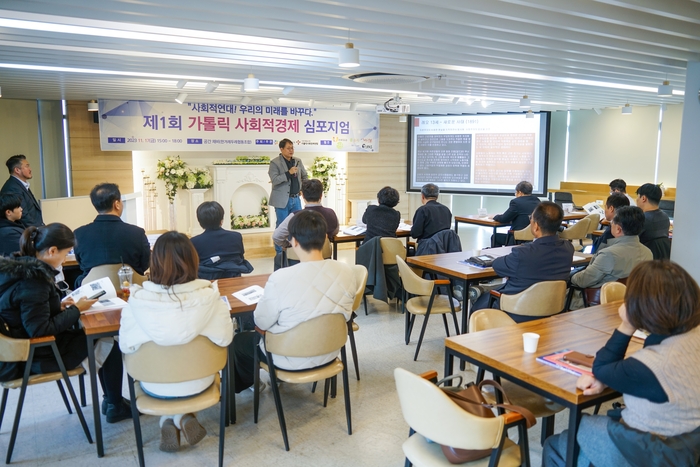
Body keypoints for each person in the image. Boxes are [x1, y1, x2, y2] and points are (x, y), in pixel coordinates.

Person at [543, 261, 700, 467]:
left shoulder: (651, 365)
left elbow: (600, 367)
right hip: (687, 444)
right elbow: (647, 349)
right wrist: (610, 376)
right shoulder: (691, 335)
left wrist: (627, 324)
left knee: (555, 444)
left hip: (648, 451)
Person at [0, 223, 131, 422]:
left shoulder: (21, 269)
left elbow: (27, 311)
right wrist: (77, 309)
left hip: (20, 349)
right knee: (107, 340)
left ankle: (113, 401)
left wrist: (57, 307)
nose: (65, 258)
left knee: (101, 337)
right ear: (52, 251)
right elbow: (39, 329)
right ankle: (114, 404)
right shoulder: (34, 280)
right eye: (66, 253)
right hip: (35, 355)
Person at [119, 231, 234, 452]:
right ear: (194, 261)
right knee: (187, 375)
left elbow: (126, 346)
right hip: (200, 382)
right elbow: (225, 338)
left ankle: (168, 420)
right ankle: (182, 417)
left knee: (161, 374)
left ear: (155, 263)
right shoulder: (211, 299)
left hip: (154, 385)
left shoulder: (136, 303)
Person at [232, 210, 356, 392]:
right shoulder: (346, 272)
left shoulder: (280, 277)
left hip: (287, 356)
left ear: (294, 241)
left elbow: (261, 321)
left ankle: (251, 386)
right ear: (324, 239)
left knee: (240, 342)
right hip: (330, 352)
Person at [471, 201, 574, 321]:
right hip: (553, 309)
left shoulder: (522, 253)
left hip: (517, 311)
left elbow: (498, 265)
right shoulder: (568, 248)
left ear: (536, 226)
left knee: (477, 306)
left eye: (531, 218)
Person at [73, 183, 150, 287]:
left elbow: (81, 265)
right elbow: (145, 264)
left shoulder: (79, 234)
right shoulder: (137, 233)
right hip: (131, 289)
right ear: (116, 204)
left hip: (93, 292)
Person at [571, 206, 652, 289]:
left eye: (612, 223)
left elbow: (582, 281)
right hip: (632, 299)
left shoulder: (608, 254)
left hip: (597, 300)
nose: (610, 225)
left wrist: (571, 275)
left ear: (618, 229)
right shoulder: (648, 253)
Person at [190, 201, 253, 280]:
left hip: (207, 282)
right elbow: (240, 258)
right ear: (221, 219)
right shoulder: (236, 236)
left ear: (200, 221)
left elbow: (192, 266)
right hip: (233, 279)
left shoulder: (194, 242)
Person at [272, 178, 339, 249]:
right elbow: (335, 231)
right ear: (321, 195)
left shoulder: (295, 216)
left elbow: (276, 236)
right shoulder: (331, 213)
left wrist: (288, 245)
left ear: (303, 195)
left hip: (300, 257)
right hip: (324, 256)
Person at [268, 139, 308, 254]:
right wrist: (288, 173)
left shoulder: (298, 161)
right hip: (281, 200)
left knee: (298, 224)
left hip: (296, 199)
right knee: (282, 226)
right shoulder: (275, 163)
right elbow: (274, 180)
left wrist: (303, 188)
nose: (291, 150)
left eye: (292, 148)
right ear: (281, 149)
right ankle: (280, 253)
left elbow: (304, 176)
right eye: (288, 148)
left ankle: (296, 250)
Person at [492, 181, 541, 246]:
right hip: (534, 238)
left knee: (495, 237)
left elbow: (504, 218)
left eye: (516, 192)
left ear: (520, 192)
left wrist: (495, 216)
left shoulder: (516, 202)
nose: (515, 194)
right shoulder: (537, 201)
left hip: (517, 238)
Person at [0, 155, 43, 227]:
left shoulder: (20, 185)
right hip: (26, 233)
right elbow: (24, 216)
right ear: (17, 170)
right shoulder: (13, 187)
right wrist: (39, 232)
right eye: (27, 166)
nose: (30, 169)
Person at [635, 183, 671, 252]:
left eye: (638, 196)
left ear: (643, 198)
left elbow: (631, 241)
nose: (636, 200)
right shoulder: (665, 217)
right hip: (662, 259)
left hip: (643, 257)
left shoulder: (641, 219)